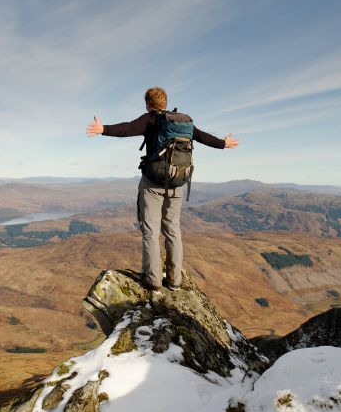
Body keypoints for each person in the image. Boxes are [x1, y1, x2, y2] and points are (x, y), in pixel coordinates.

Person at [86, 87, 239, 291]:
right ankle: (175, 281)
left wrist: (103, 129)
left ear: (148, 103)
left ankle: (153, 280)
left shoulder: (151, 119)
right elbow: (203, 137)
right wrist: (223, 143)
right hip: (177, 183)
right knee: (173, 231)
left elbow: (127, 128)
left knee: (151, 232)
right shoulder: (182, 124)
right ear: (165, 103)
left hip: (153, 184)